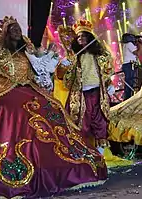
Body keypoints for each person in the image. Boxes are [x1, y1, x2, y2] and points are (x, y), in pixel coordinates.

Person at [0, 16, 107, 198]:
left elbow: (37, 75)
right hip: (3, 91)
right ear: (6, 33)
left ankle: (57, 162)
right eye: (12, 28)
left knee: (53, 108)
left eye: (18, 28)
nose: (16, 31)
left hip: (30, 90)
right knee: (13, 112)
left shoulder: (28, 52)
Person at [56, 19, 115, 149]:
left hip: (98, 93)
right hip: (80, 94)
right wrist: (64, 66)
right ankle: (80, 151)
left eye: (83, 36)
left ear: (89, 37)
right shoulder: (74, 57)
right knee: (80, 122)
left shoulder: (101, 54)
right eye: (78, 36)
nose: (80, 38)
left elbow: (107, 71)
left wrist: (109, 84)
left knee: (100, 122)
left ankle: (100, 154)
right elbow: (61, 76)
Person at [121, 33, 140, 100]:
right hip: (129, 65)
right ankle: (128, 98)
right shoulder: (129, 44)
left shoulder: (125, 45)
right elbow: (137, 53)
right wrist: (139, 45)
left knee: (129, 82)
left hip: (127, 65)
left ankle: (128, 97)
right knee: (129, 82)